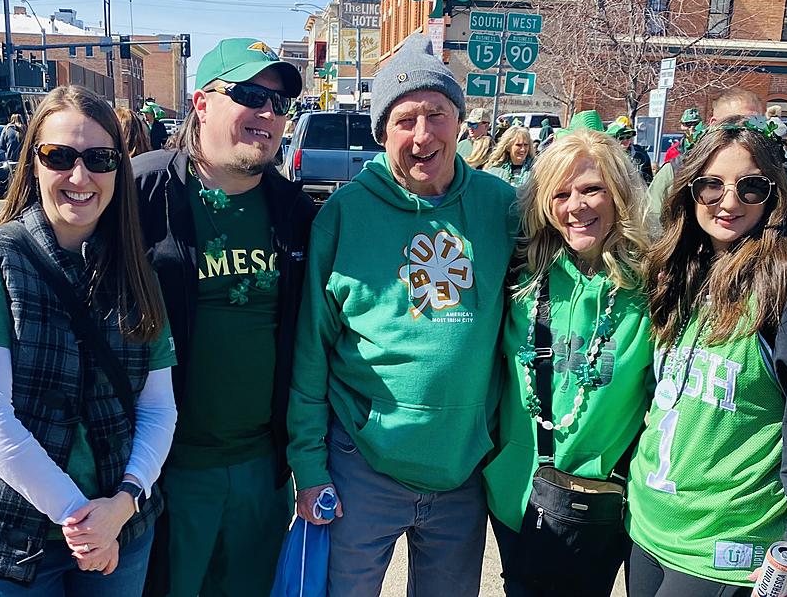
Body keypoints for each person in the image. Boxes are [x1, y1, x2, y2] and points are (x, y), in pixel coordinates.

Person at [0, 85, 177, 594]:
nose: (80, 176)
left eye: (100, 158)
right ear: (32, 163)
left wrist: (122, 504)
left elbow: (158, 409)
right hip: (0, 537)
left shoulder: (137, 271)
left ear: (118, 171)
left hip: (116, 526)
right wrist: (83, 520)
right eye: (59, 156)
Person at [288, 34, 519, 597]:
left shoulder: (500, 206)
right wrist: (309, 467)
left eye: (437, 115)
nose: (423, 136)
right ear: (382, 132)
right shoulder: (345, 214)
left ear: (460, 123)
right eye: (405, 120)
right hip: (362, 461)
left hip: (461, 463)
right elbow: (312, 350)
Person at [626, 120, 787, 597]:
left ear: (774, 194)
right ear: (688, 191)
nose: (728, 202)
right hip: (647, 528)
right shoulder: (680, 270)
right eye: (711, 185)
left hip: (728, 550)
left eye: (749, 187)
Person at [132, 38, 314, 597]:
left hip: (262, 468)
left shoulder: (294, 211)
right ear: (201, 102)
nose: (267, 113)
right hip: (168, 468)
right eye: (250, 95)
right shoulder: (143, 190)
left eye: (280, 104)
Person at [485, 116, 653, 597]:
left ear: (619, 194)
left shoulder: (654, 287)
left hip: (600, 503)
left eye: (591, 190)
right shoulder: (520, 277)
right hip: (517, 496)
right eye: (560, 195)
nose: (576, 207)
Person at [645, 88, 764, 228]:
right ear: (714, 123)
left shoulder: (770, 169)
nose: (745, 130)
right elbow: (651, 222)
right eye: (734, 121)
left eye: (756, 123)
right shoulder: (679, 169)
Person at [606, 117, 653, 184]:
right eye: (621, 138)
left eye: (628, 137)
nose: (625, 140)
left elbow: (648, 180)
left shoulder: (640, 154)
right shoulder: (606, 154)